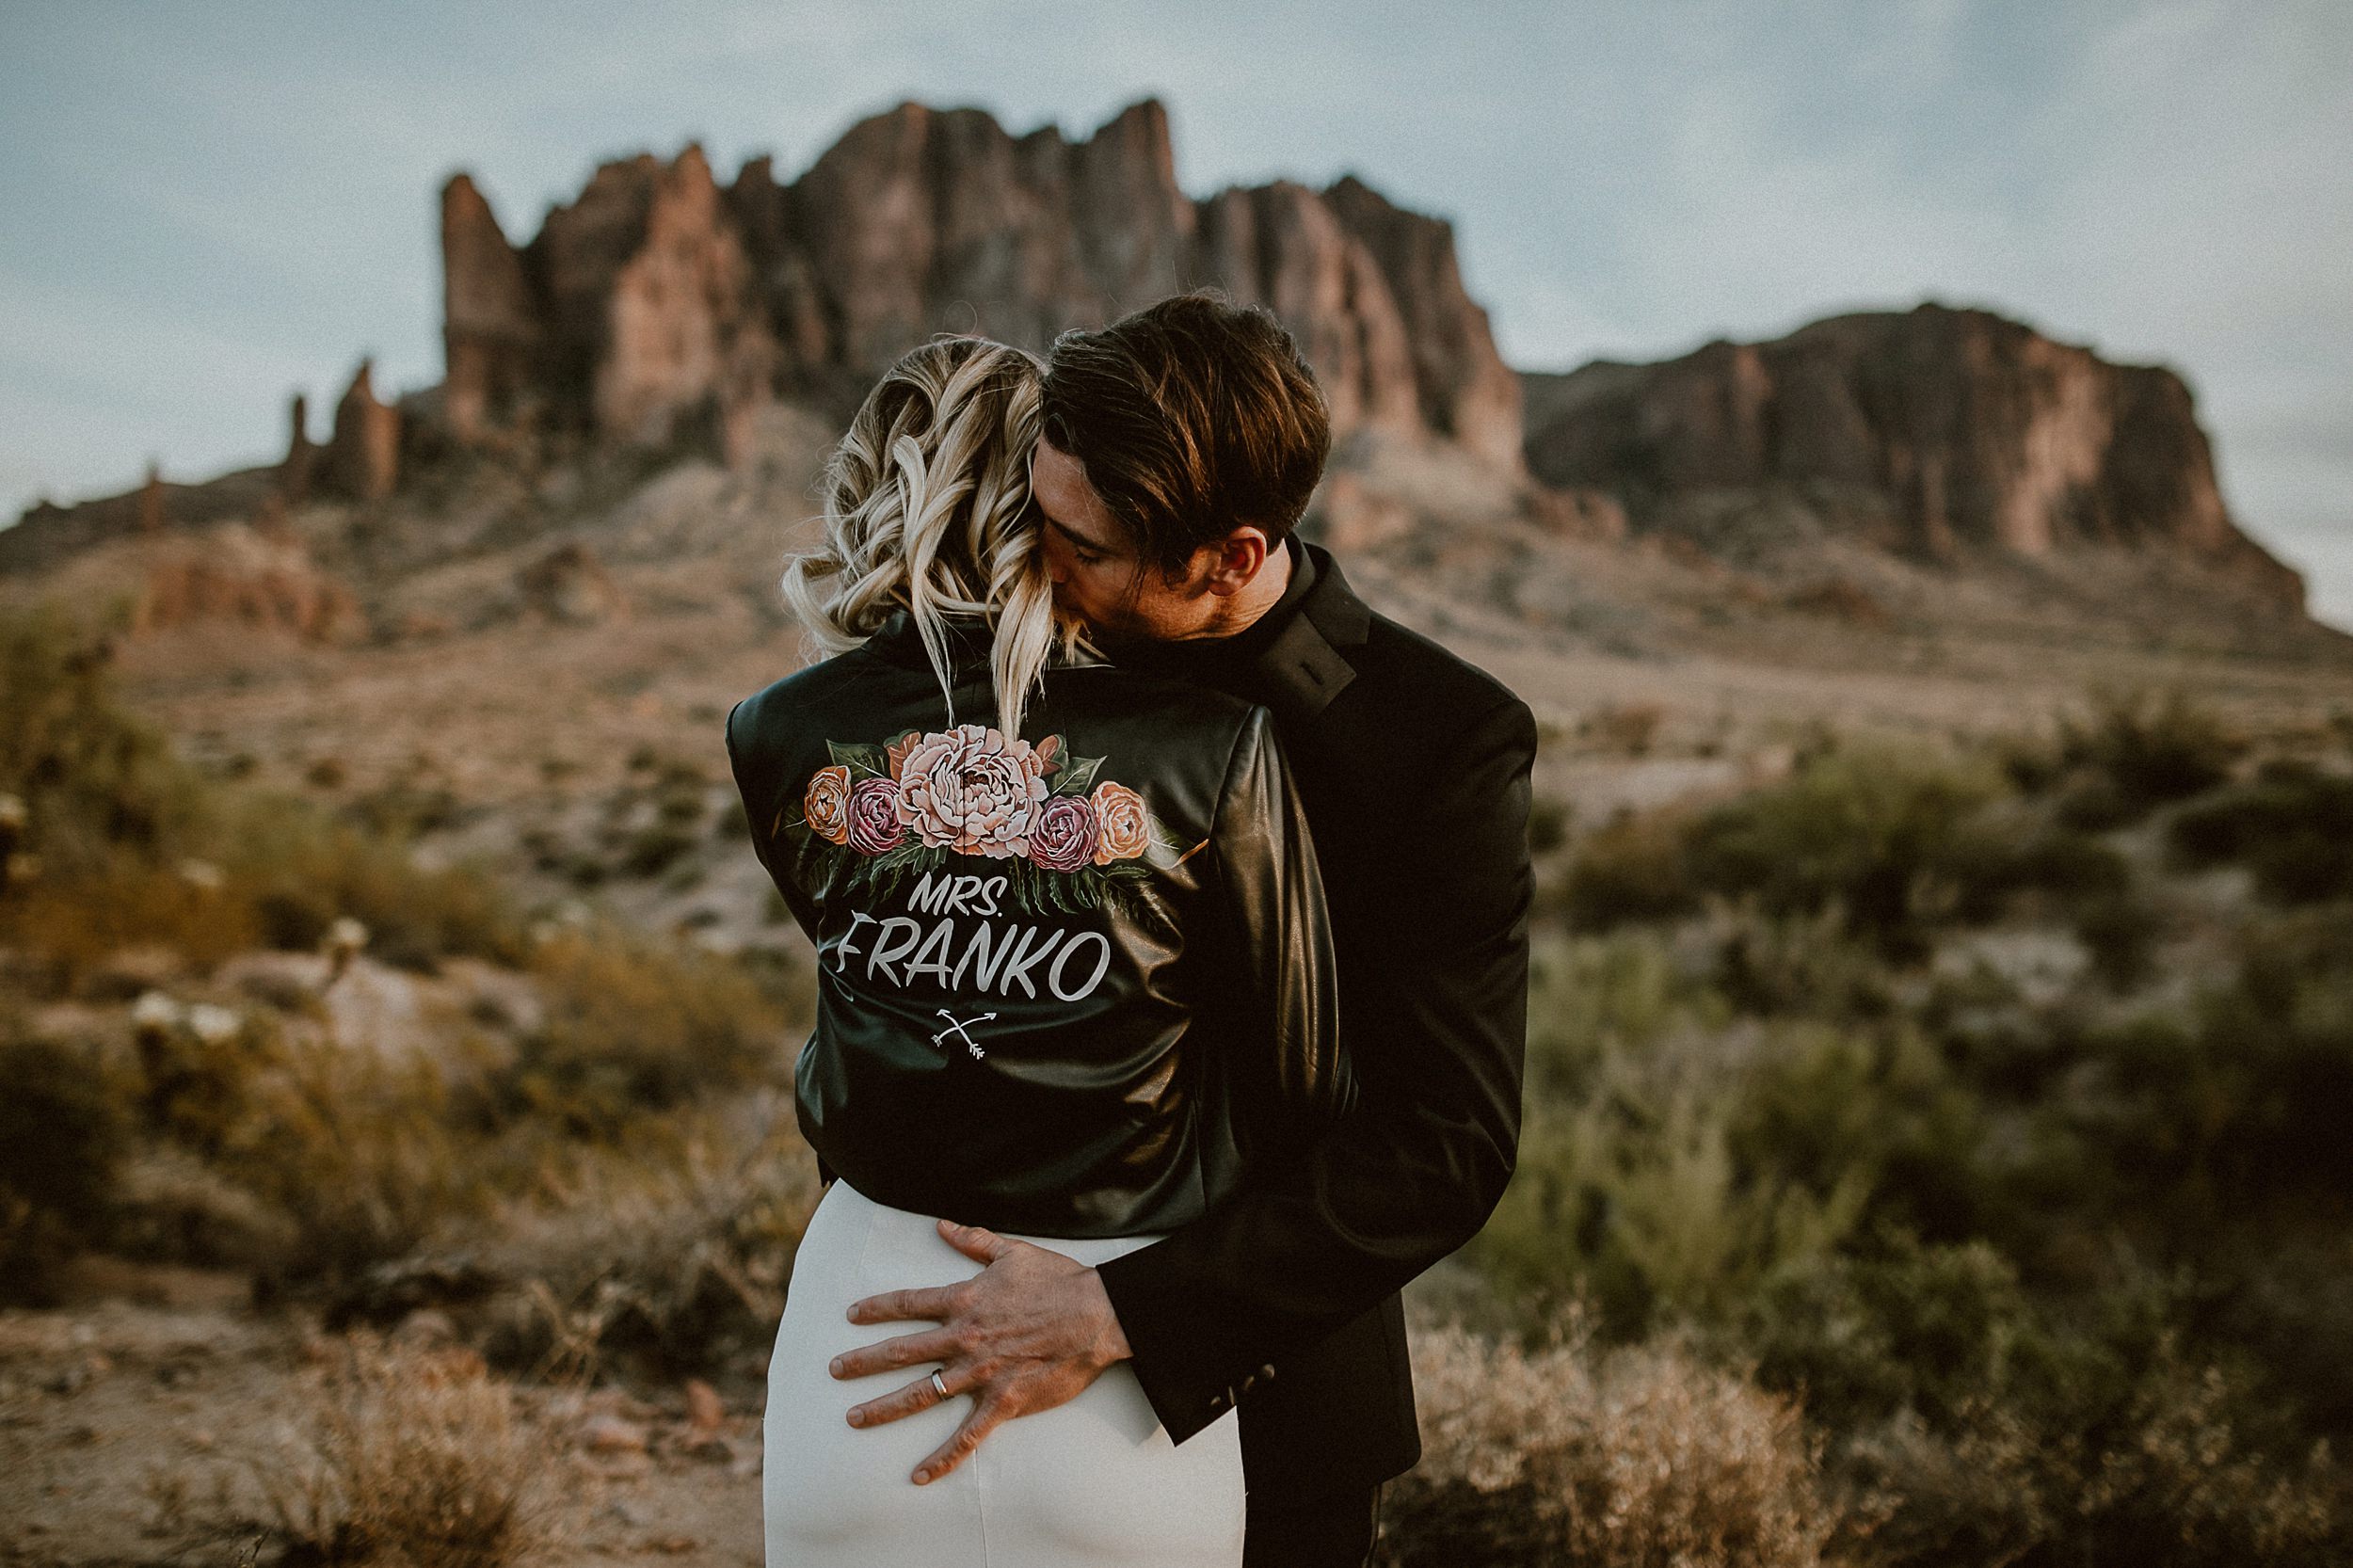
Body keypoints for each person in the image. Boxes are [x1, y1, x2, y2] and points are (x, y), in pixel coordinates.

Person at [821, 293, 1538, 1568]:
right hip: (966, 1351)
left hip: (1261, 1399)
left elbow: (1445, 1143)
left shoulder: (1438, 742)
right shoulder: (1015, 675)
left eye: (1075, 543)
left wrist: (1116, 1311)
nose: (1034, 570)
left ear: (1228, 554)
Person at [725, 333, 1354, 1566]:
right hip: (1119, 1364)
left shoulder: (778, 733)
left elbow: (855, 974)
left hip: (860, 1339)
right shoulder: (1213, 747)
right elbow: (1306, 1097)